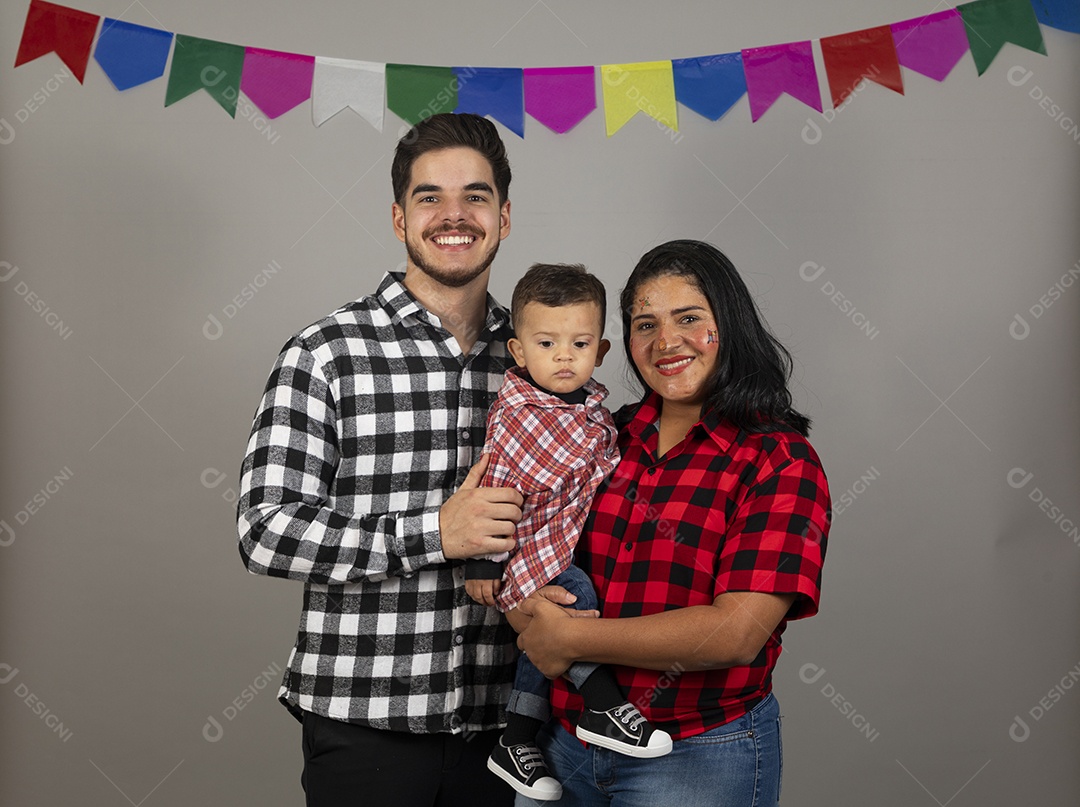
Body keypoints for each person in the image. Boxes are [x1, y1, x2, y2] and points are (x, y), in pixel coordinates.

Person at [237, 112, 570, 807]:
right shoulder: (325, 353)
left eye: (475, 196)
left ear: (504, 217)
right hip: (365, 725)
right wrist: (435, 533)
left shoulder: (543, 361)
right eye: (430, 197)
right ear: (399, 217)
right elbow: (264, 529)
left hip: (510, 729)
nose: (455, 215)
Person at [513, 240, 831, 806]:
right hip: (562, 747)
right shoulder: (601, 438)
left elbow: (736, 634)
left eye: (689, 319)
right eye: (645, 324)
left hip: (698, 753)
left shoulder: (779, 460)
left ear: (728, 325)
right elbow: (536, 548)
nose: (666, 342)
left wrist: (573, 638)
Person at [463, 264, 672, 801]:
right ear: (518, 350)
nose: (563, 356)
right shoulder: (521, 413)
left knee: (545, 639)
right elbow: (495, 483)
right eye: (546, 342)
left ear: (600, 352)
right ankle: (603, 705)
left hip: (555, 538)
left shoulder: (591, 412)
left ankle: (516, 738)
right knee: (576, 595)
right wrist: (484, 564)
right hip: (523, 545)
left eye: (578, 343)